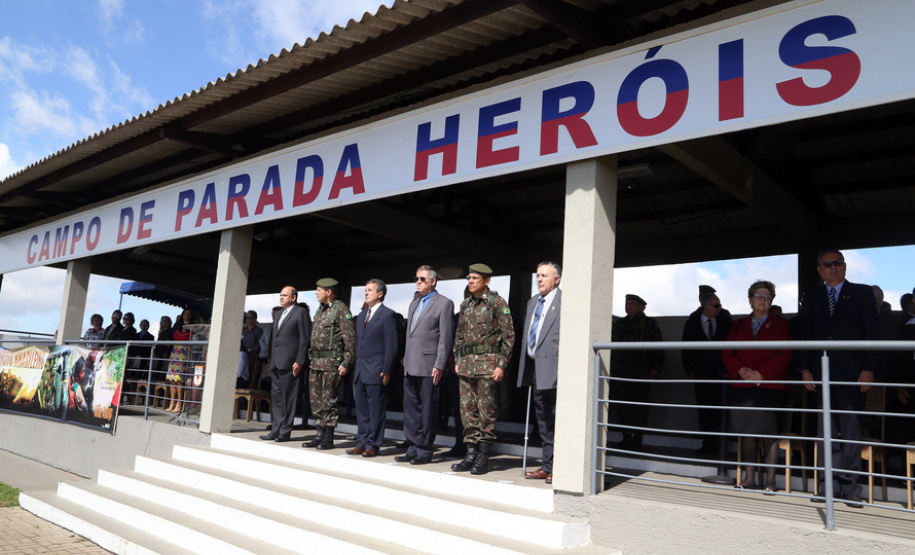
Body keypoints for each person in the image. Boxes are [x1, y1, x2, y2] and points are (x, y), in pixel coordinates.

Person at [799, 249, 879, 506]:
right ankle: (827, 486)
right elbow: (805, 334)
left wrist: (869, 367)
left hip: (854, 374)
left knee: (851, 430)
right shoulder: (811, 296)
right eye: (827, 264)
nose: (833, 267)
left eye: (837, 263)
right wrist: (804, 368)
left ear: (844, 267)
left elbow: (872, 332)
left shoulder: (862, 293)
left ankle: (851, 488)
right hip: (820, 372)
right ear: (819, 270)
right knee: (826, 431)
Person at [722, 280, 792, 491]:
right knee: (747, 432)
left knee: (770, 432)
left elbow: (785, 354)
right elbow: (727, 352)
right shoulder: (738, 324)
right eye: (759, 296)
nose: (763, 300)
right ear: (750, 300)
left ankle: (770, 481)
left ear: (772, 301)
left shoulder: (781, 325)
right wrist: (741, 370)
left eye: (767, 296)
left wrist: (762, 374)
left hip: (770, 386)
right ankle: (749, 478)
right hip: (743, 386)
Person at [451, 263, 515, 475]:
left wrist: (501, 365)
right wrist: (457, 359)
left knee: (486, 409)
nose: (471, 282)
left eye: (475, 278)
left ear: (486, 281)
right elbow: (459, 335)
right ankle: (470, 452)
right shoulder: (465, 304)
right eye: (469, 278)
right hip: (467, 364)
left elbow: (509, 336)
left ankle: (483, 455)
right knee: (467, 409)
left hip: (488, 364)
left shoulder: (497, 303)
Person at [397, 265, 455, 465]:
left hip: (430, 366)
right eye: (416, 278)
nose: (418, 282)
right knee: (411, 409)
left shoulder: (444, 303)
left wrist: (440, 364)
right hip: (411, 364)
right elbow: (410, 335)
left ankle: (424, 449)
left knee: (428, 410)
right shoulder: (413, 303)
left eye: (422, 279)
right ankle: (412, 447)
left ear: (433, 281)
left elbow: (446, 338)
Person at [518, 262, 562, 484]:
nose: (539, 279)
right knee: (543, 419)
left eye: (544, 275)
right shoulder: (533, 301)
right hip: (535, 368)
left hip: (556, 370)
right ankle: (547, 465)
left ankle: (560, 467)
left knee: (556, 418)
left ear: (557, 279)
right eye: (537, 275)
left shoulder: (564, 301)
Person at [304, 278, 355, 450]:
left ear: (329, 292)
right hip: (316, 363)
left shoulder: (341, 309)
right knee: (316, 401)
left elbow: (349, 338)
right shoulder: (320, 310)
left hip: (331, 364)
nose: (316, 293)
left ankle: (328, 437)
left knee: (329, 400)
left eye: (319, 290)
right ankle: (319, 434)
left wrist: (346, 362)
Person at [349, 279, 398, 457]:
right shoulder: (362, 316)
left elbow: (391, 345)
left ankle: (373, 444)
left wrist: (387, 369)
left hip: (377, 370)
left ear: (380, 293)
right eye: (365, 290)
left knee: (376, 409)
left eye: (370, 290)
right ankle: (362, 442)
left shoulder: (387, 315)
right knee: (362, 409)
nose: (366, 293)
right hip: (361, 370)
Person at [681, 290, 732, 454]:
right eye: (716, 306)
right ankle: (708, 443)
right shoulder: (692, 323)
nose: (719, 309)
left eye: (720, 306)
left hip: (721, 374)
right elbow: (685, 348)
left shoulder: (725, 321)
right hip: (701, 373)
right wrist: (689, 371)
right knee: (704, 409)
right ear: (706, 306)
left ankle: (721, 445)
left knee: (721, 408)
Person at [610, 294, 664, 451]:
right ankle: (626, 438)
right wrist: (612, 369)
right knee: (623, 408)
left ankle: (637, 439)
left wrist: (656, 368)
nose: (628, 306)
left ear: (641, 307)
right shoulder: (620, 324)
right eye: (627, 303)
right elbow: (612, 347)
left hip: (641, 373)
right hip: (621, 373)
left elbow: (658, 347)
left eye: (632, 303)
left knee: (639, 408)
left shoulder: (649, 324)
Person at [259, 286, 311, 442]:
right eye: (280, 295)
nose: (281, 297)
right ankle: (275, 429)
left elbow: (304, 339)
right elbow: (274, 339)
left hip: (291, 363)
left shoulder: (300, 312)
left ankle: (285, 431)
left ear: (293, 298)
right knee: (277, 398)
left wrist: (299, 361)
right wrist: (271, 360)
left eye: (285, 295)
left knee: (289, 398)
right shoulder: (279, 314)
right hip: (276, 363)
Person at [165, 308, 194, 413]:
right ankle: (172, 402)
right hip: (174, 354)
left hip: (184, 355)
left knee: (179, 380)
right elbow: (170, 337)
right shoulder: (177, 325)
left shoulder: (192, 328)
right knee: (172, 379)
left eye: (189, 314)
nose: (187, 316)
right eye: (185, 314)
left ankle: (179, 403)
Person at [240, 310, 264, 389]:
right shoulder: (243, 330)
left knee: (253, 377)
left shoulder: (259, 330)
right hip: (242, 356)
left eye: (250, 318)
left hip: (253, 358)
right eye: (246, 318)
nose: (248, 320)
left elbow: (260, 343)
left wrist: (251, 349)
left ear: (255, 318)